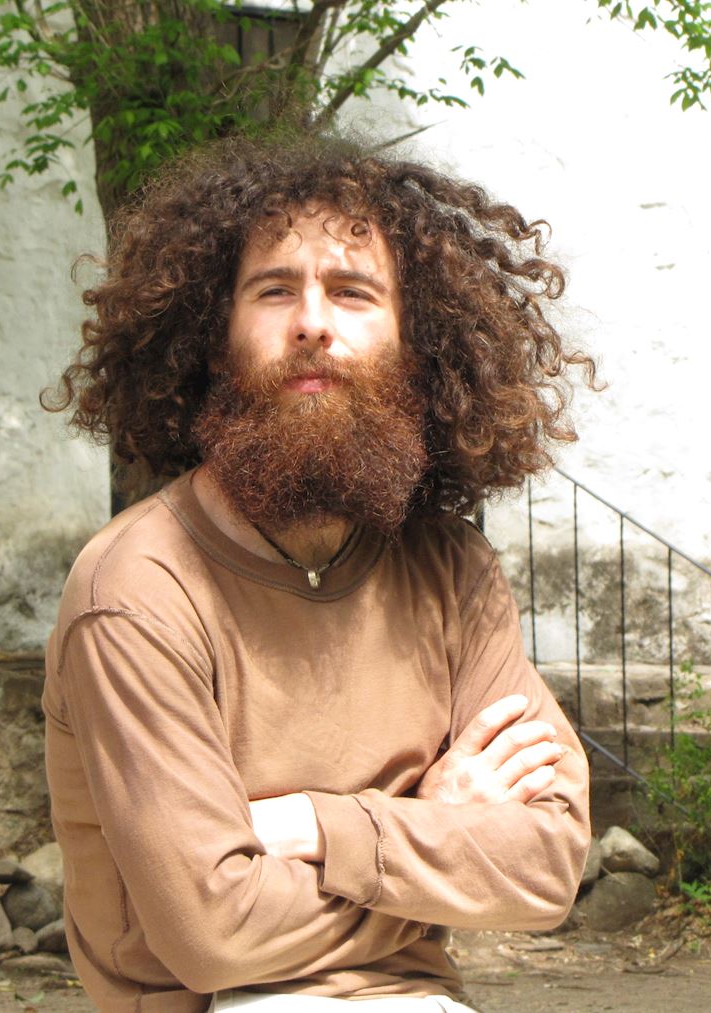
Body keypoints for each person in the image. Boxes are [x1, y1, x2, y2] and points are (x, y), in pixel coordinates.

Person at [41, 136, 598, 1012]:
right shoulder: (136, 590)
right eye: (274, 290)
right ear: (213, 339)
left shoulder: (451, 569)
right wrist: (436, 827)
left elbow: (549, 865)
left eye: (352, 291)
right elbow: (215, 934)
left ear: (416, 344)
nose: (311, 322)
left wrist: (310, 825)